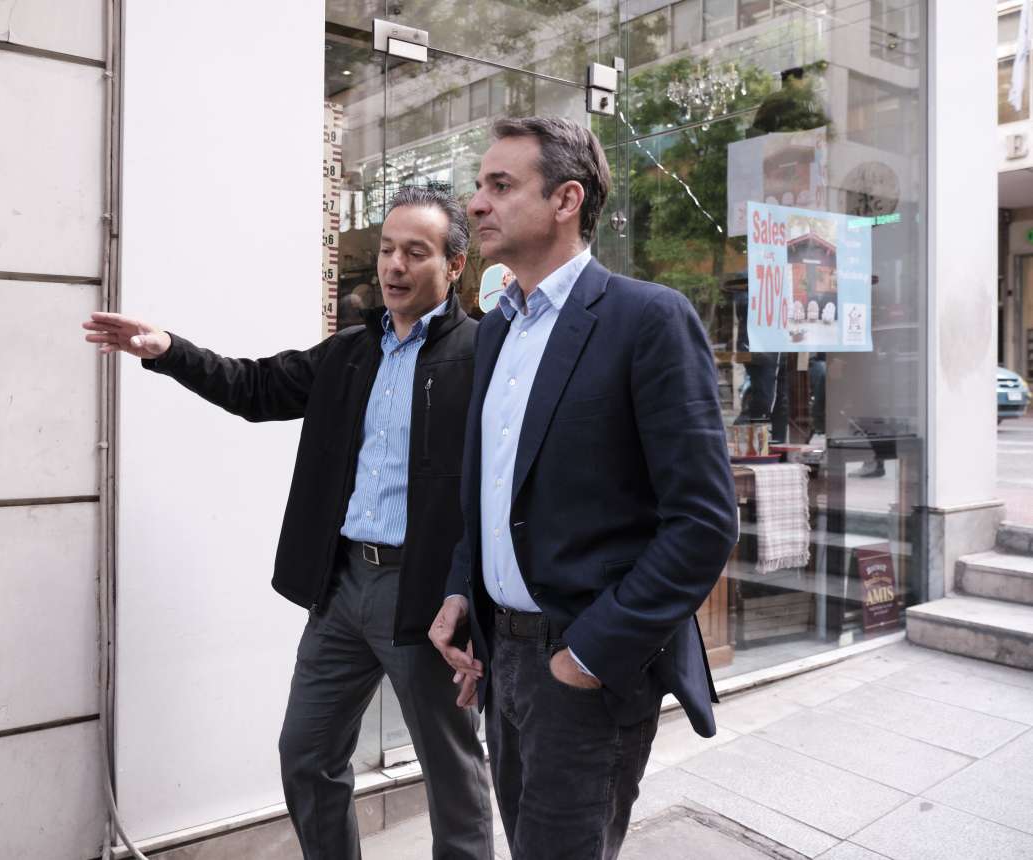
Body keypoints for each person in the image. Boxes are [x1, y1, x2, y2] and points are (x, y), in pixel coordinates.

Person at [83, 186, 493, 859]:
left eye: (415, 252)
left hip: (423, 596)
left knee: (452, 774)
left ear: (453, 265)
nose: (394, 265)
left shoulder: (481, 355)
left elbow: (497, 490)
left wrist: (470, 595)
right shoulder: (350, 353)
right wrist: (167, 349)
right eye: (387, 249)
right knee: (306, 754)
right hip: (342, 590)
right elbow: (255, 387)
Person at [428, 117, 738, 860]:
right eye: (479, 185)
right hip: (501, 661)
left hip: (584, 669)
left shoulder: (647, 318)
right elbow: (495, 492)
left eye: (500, 185)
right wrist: (463, 592)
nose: (476, 203)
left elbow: (703, 523)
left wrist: (587, 659)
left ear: (566, 200)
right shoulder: (497, 330)